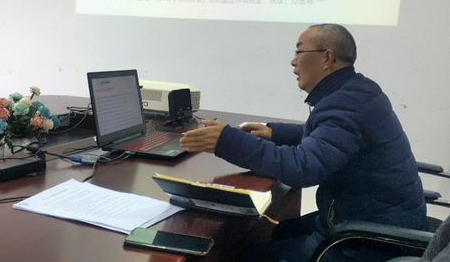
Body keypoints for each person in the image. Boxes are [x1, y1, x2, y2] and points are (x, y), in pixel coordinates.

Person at [180, 24, 426, 262]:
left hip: (367, 241)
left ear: (327, 58)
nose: (293, 61)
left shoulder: (345, 104)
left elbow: (302, 167)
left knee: (246, 255)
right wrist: (275, 133)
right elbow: (328, 136)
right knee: (278, 231)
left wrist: (228, 142)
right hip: (374, 215)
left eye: (299, 52)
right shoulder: (357, 90)